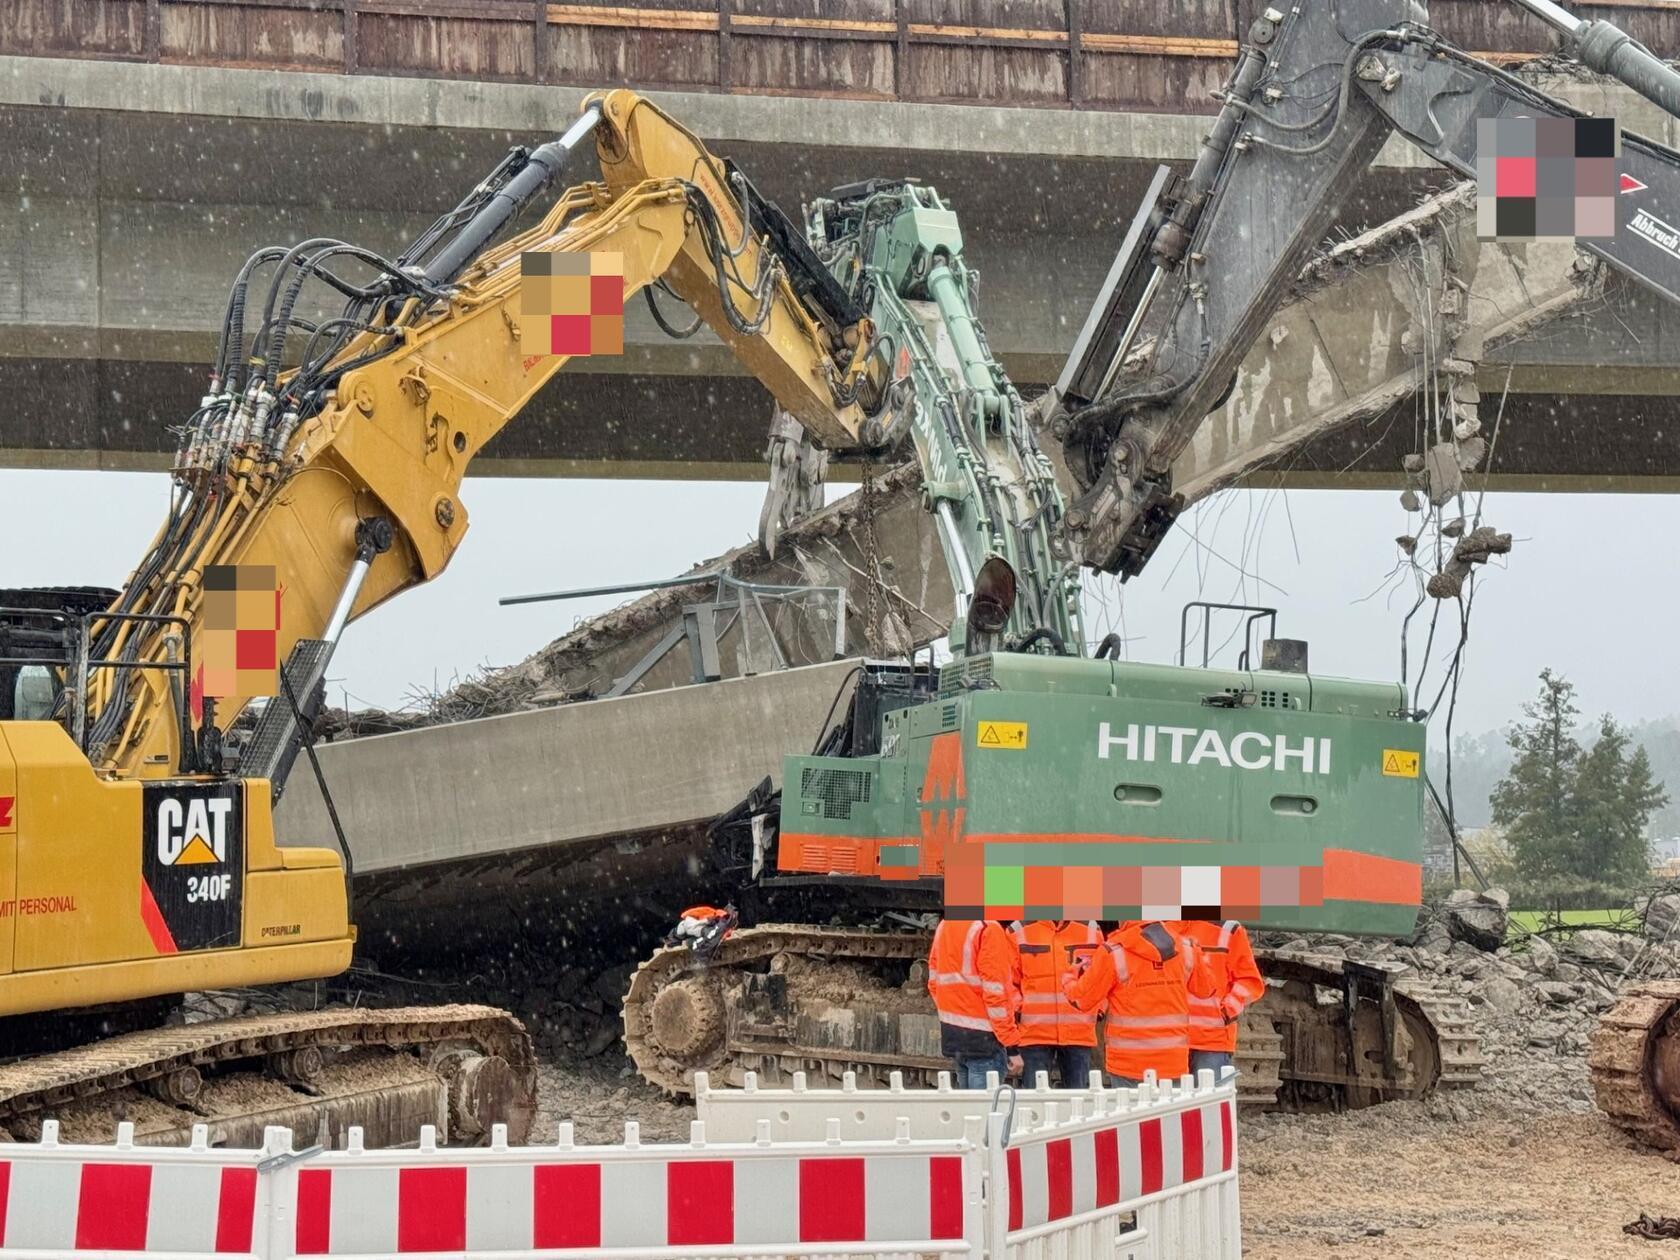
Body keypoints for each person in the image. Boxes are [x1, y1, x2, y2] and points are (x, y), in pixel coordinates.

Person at [1062, 920, 1215, 1087]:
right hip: (1172, 1064)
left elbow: (1081, 1000)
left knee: (1130, 1113)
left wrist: (1070, 976)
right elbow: (1207, 989)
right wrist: (1203, 959)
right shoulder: (1187, 948)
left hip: (1127, 1065)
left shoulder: (1113, 952)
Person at [927, 918, 1022, 1087]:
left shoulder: (945, 926)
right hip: (984, 1040)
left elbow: (934, 983)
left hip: (954, 1036)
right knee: (985, 1110)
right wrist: (1011, 1045)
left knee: (968, 1110)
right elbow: (996, 995)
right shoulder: (988, 929)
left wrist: (955, 1013)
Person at [1008, 919, 1102, 1087]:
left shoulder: (1091, 930)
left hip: (1079, 1032)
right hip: (1034, 1032)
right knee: (1034, 1104)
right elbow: (1007, 980)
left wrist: (1099, 1008)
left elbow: (1103, 975)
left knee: (1077, 1103)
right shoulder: (1018, 931)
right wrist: (1019, 1010)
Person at [1174, 918, 1265, 1079]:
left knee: (1209, 1102)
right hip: (1170, 1042)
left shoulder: (1227, 930)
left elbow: (1250, 982)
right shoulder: (1162, 928)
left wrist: (1225, 1011)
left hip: (1211, 1040)